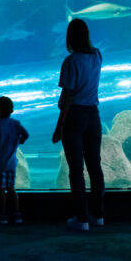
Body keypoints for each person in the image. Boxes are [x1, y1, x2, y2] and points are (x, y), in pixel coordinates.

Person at [52, 18, 105, 232]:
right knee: (95, 167)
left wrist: (60, 124)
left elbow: (69, 94)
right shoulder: (97, 55)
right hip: (94, 115)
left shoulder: (71, 61)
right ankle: (98, 215)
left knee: (76, 169)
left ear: (70, 37)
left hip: (75, 116)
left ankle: (82, 219)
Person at [0, 96, 29, 224]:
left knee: (1, 190)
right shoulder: (16, 124)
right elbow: (26, 135)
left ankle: (2, 215)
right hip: (12, 163)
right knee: (11, 188)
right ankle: (16, 215)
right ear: (12, 110)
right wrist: (18, 142)